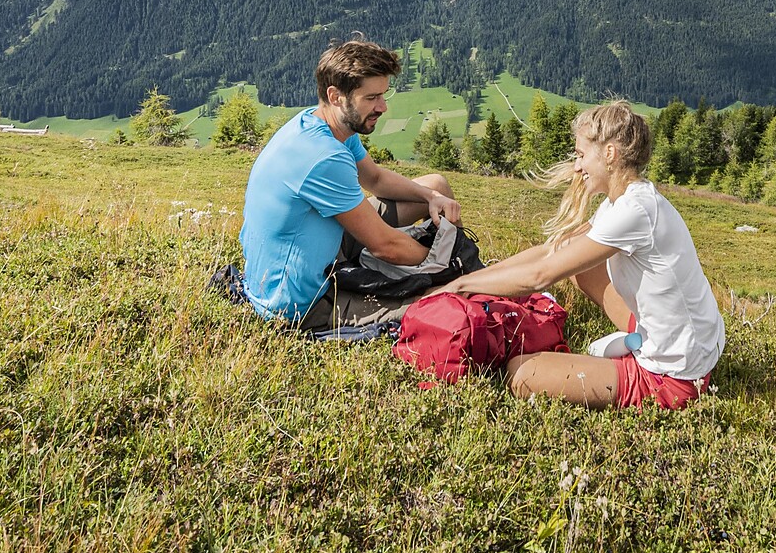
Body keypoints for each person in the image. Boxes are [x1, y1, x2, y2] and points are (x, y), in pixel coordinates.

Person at [443, 100, 724, 409]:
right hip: (685, 342)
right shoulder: (625, 201)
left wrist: (458, 287)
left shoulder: (634, 212)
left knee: (521, 374)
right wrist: (470, 279)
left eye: (580, 156)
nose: (577, 167)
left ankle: (638, 358)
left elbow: (541, 276)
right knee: (578, 263)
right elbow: (553, 250)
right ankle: (636, 339)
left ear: (609, 154)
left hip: (675, 377)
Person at [241, 38, 462, 333]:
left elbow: (376, 180)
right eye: (371, 98)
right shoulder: (323, 156)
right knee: (443, 300)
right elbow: (386, 247)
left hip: (326, 247)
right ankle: (459, 272)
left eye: (383, 95)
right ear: (336, 96)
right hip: (298, 303)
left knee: (437, 186)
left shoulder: (328, 125)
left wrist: (429, 195)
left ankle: (453, 262)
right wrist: (450, 264)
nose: (382, 107)